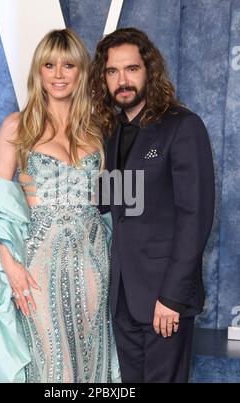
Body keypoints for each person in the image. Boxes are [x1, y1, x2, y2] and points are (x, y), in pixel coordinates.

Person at [0, 29, 120, 383]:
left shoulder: (99, 129)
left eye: (68, 65)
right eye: (49, 65)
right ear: (38, 71)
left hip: (93, 257)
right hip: (38, 258)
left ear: (81, 71)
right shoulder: (17, 126)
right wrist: (9, 263)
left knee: (91, 354)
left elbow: (108, 198)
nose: (58, 74)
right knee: (52, 362)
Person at [90, 27, 215, 383]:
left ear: (149, 70)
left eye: (131, 69)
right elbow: (113, 205)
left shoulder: (183, 126)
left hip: (164, 298)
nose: (122, 80)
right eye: (112, 71)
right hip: (123, 298)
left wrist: (173, 297)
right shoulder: (111, 132)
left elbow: (196, 218)